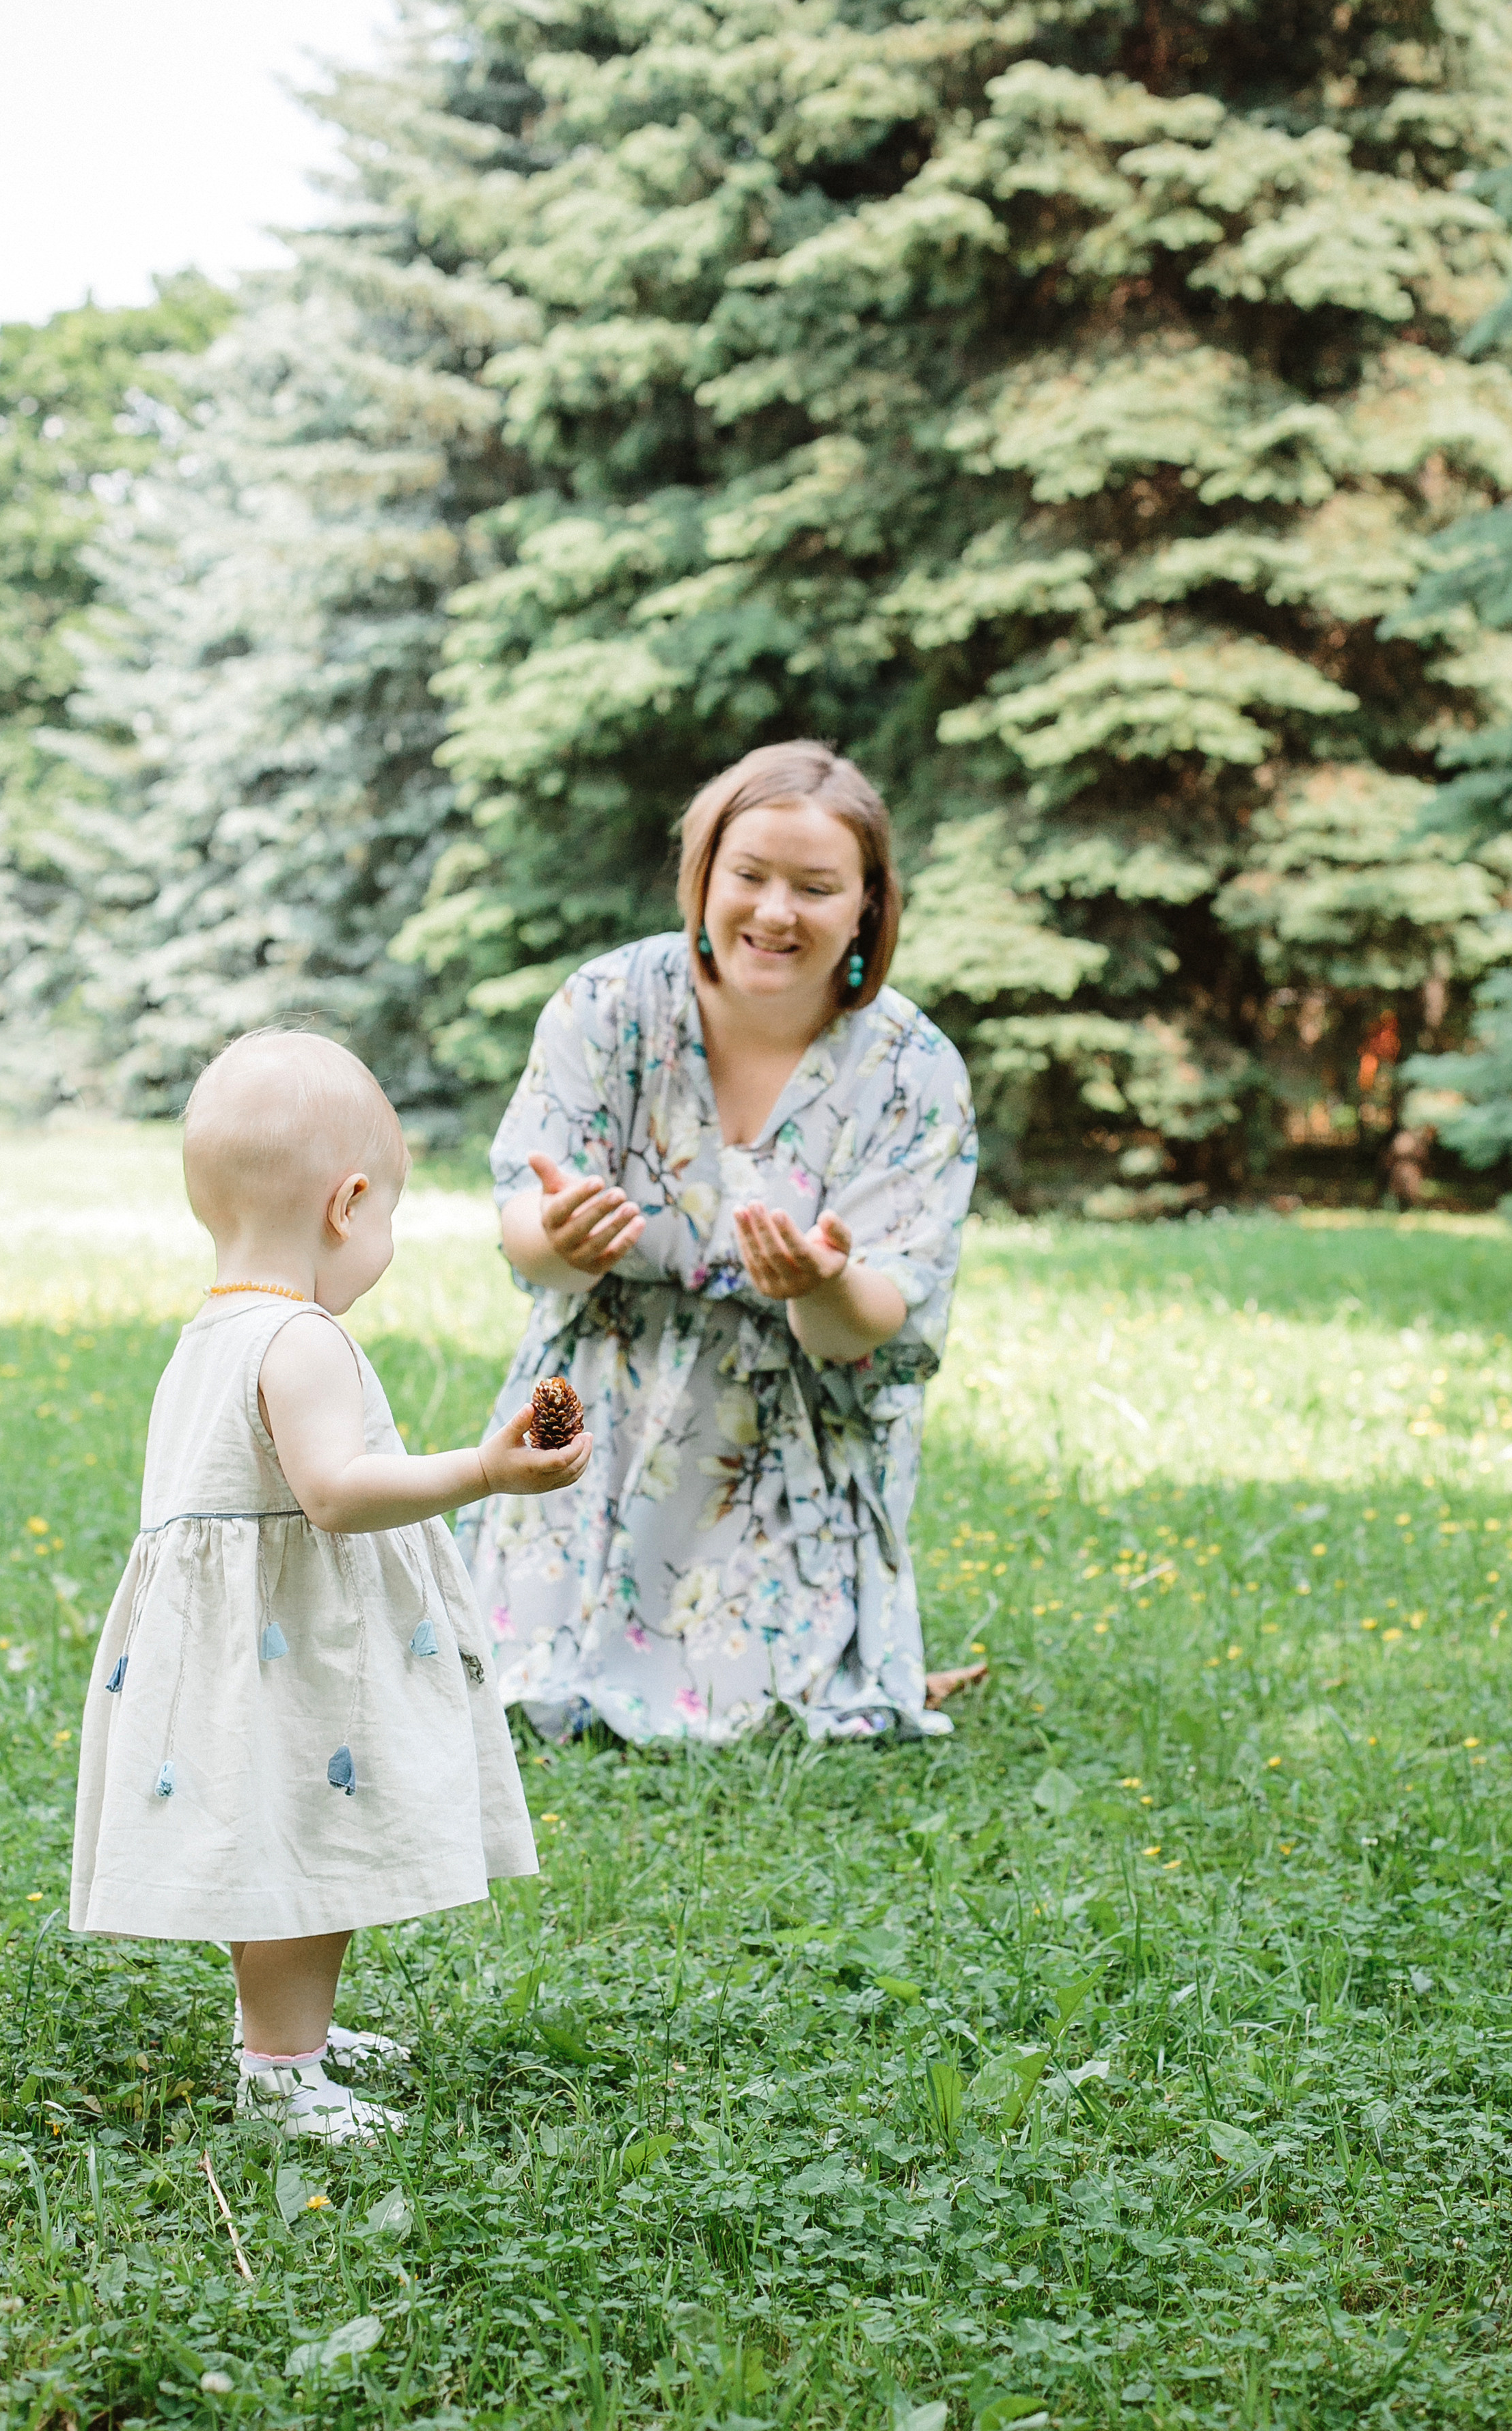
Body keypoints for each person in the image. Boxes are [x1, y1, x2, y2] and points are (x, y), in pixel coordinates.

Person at [68, 1031, 590, 2141]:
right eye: (390, 1216)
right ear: (348, 1204)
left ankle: (287, 2032)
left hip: (238, 1659)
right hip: (296, 1659)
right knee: (304, 1852)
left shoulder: (206, 1333)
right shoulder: (300, 1338)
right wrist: (487, 1469)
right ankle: (281, 2072)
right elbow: (337, 1492)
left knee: (285, 1848)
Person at [458, 740, 978, 1746]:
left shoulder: (916, 1068)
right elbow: (526, 1236)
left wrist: (820, 1283)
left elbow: (872, 1321)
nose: (776, 912)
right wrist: (564, 1237)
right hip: (601, 1398)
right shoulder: (609, 1006)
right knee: (518, 1681)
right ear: (704, 876)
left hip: (796, 1421)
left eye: (817, 886)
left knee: (754, 1703)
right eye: (750, 876)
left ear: (867, 905)